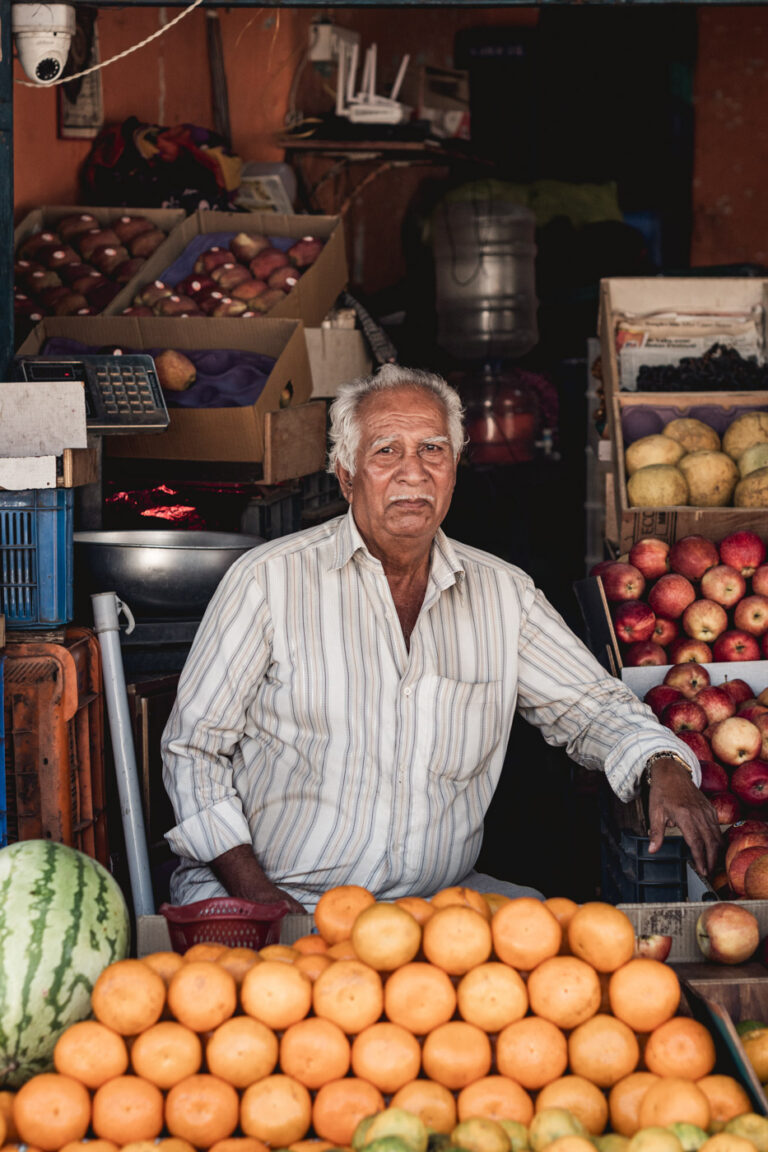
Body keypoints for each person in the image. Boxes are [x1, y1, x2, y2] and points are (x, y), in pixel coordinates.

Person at [161, 364, 721, 912]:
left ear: (454, 469)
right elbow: (194, 748)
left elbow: (590, 706)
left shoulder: (504, 595)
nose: (413, 472)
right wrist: (254, 889)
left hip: (427, 909)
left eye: (432, 450)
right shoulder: (268, 581)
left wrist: (662, 764)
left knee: (549, 936)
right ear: (346, 473)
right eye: (386, 451)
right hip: (271, 897)